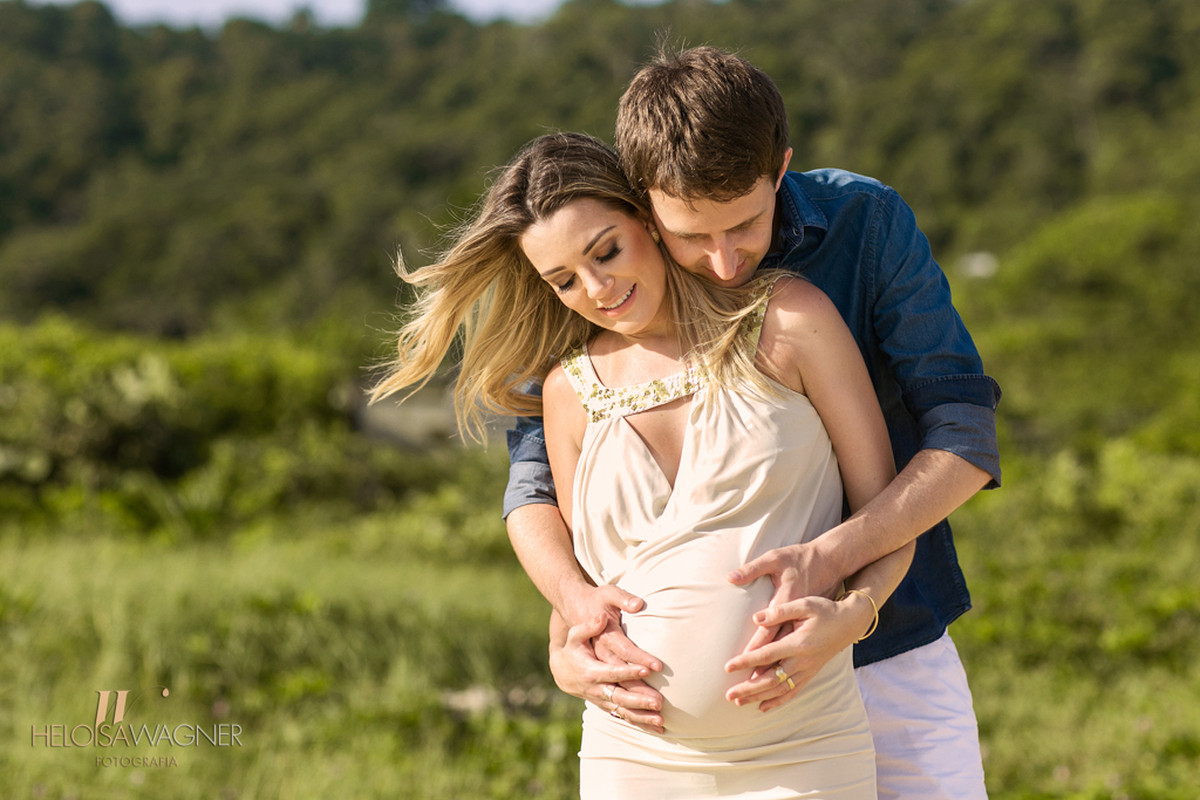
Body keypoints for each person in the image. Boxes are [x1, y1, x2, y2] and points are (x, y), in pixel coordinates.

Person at [504, 47, 1002, 800]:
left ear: (781, 169)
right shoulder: (596, 282)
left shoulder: (861, 227)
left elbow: (962, 431)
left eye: (745, 225)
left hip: (889, 649)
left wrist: (839, 573)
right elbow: (537, 483)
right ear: (643, 201)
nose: (725, 261)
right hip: (646, 744)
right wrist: (565, 627)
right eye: (691, 236)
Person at [372, 131, 914, 798]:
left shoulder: (789, 322)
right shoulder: (569, 392)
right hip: (629, 755)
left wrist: (856, 612)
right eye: (564, 280)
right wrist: (564, 652)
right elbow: (589, 582)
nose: (596, 289)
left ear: (649, 219)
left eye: (606, 252)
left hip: (803, 744)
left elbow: (888, 515)